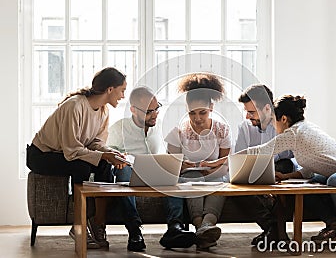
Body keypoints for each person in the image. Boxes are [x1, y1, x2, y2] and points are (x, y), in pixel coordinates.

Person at [208, 95, 336, 246]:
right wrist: (287, 176)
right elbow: (311, 169)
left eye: (275, 120)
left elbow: (259, 151)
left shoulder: (294, 133)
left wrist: (221, 161)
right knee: (310, 183)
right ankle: (333, 225)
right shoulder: (302, 130)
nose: (273, 126)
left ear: (283, 119)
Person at [26, 67, 130, 249]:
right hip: (42, 155)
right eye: (122, 90)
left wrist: (110, 153)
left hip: (66, 153)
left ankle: (98, 223)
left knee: (104, 164)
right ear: (110, 89)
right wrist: (103, 154)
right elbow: (72, 151)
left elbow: (96, 142)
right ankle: (78, 226)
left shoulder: (104, 111)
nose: (123, 96)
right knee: (80, 167)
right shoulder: (75, 106)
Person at [107, 86, 196, 250]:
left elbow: (167, 155)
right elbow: (108, 155)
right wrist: (119, 159)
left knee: (173, 172)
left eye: (157, 109)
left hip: (155, 174)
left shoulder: (160, 127)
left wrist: (178, 163)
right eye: (149, 111)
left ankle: (175, 229)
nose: (154, 114)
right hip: (130, 173)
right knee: (123, 170)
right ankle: (134, 230)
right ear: (133, 110)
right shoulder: (119, 128)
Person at [165, 73, 231, 249]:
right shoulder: (178, 132)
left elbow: (226, 160)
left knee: (219, 181)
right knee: (192, 179)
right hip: (189, 176)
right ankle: (202, 227)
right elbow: (170, 165)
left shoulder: (222, 129)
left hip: (214, 174)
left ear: (211, 107)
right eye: (192, 113)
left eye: (203, 112)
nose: (197, 118)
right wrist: (182, 165)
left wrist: (214, 166)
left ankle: (206, 225)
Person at [233, 84, 295, 246]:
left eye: (251, 112)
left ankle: (273, 230)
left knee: (285, 164)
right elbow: (239, 160)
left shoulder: (284, 125)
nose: (247, 117)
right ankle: (272, 227)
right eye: (246, 112)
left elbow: (295, 157)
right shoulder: (244, 128)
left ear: (267, 108)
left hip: (281, 173)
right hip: (253, 174)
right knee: (235, 187)